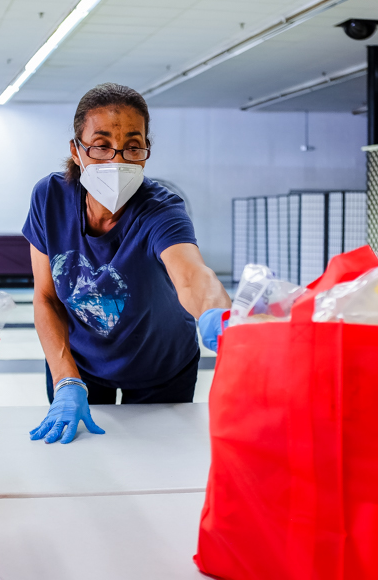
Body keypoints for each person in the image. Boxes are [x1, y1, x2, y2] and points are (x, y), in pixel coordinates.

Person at [22, 83, 231, 445]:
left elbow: (191, 274)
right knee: (83, 461)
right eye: (101, 145)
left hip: (161, 365)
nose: (117, 160)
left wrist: (219, 317)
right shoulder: (50, 197)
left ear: (147, 151)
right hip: (80, 364)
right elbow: (46, 298)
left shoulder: (161, 209)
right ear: (76, 150)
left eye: (133, 146)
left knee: (156, 463)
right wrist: (66, 380)